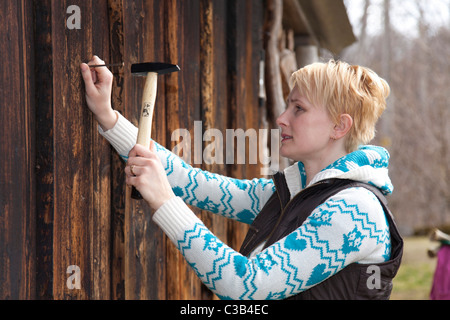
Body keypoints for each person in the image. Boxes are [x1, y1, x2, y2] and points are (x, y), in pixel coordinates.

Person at [80, 56, 403, 300]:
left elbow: (247, 284)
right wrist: (108, 117)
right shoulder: (295, 192)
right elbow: (189, 182)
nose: (281, 118)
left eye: (299, 109)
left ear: (339, 126)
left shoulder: (356, 211)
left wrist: (164, 202)